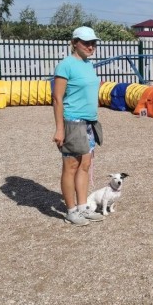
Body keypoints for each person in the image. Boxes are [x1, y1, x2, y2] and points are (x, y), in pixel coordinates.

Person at [52, 26, 105, 225]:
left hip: (89, 122)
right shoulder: (66, 65)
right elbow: (57, 98)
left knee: (85, 164)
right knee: (71, 165)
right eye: (86, 42)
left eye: (93, 43)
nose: (91, 46)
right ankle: (71, 211)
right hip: (72, 121)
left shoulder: (88, 64)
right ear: (75, 42)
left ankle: (83, 207)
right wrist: (59, 129)